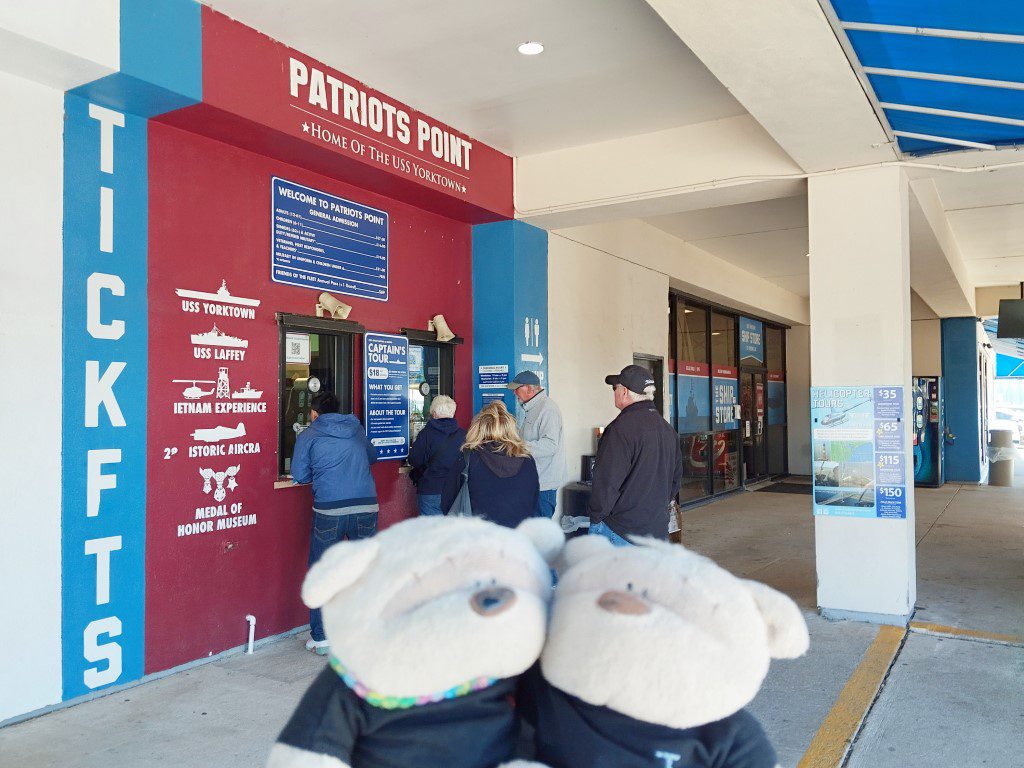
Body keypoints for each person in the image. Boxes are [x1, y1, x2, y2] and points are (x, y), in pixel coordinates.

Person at [291, 391, 379, 655]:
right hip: (366, 505)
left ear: (314, 414)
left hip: (330, 510)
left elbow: (299, 473)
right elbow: (371, 457)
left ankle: (322, 637)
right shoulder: (355, 428)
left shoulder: (309, 435)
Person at [588, 365, 682, 546]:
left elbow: (607, 483)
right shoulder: (667, 429)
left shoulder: (620, 429)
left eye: (615, 388)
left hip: (621, 532)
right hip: (656, 531)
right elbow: (675, 480)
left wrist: (596, 516)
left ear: (624, 392)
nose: (614, 392)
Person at [442, 400, 539, 528]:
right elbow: (534, 503)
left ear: (478, 428)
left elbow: (448, 502)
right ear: (511, 429)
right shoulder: (527, 459)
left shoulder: (468, 456)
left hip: (480, 538)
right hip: (518, 538)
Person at [508, 371, 566, 518]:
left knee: (541, 536)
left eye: (517, 389)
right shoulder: (533, 408)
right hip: (533, 482)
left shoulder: (547, 409)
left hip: (543, 486)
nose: (514, 393)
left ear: (529, 388)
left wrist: (517, 447)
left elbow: (550, 445)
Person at [407, 395, 466, 516]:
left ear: (433, 413)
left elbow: (414, 460)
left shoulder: (426, 434)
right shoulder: (463, 435)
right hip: (455, 490)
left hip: (431, 489)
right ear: (452, 412)